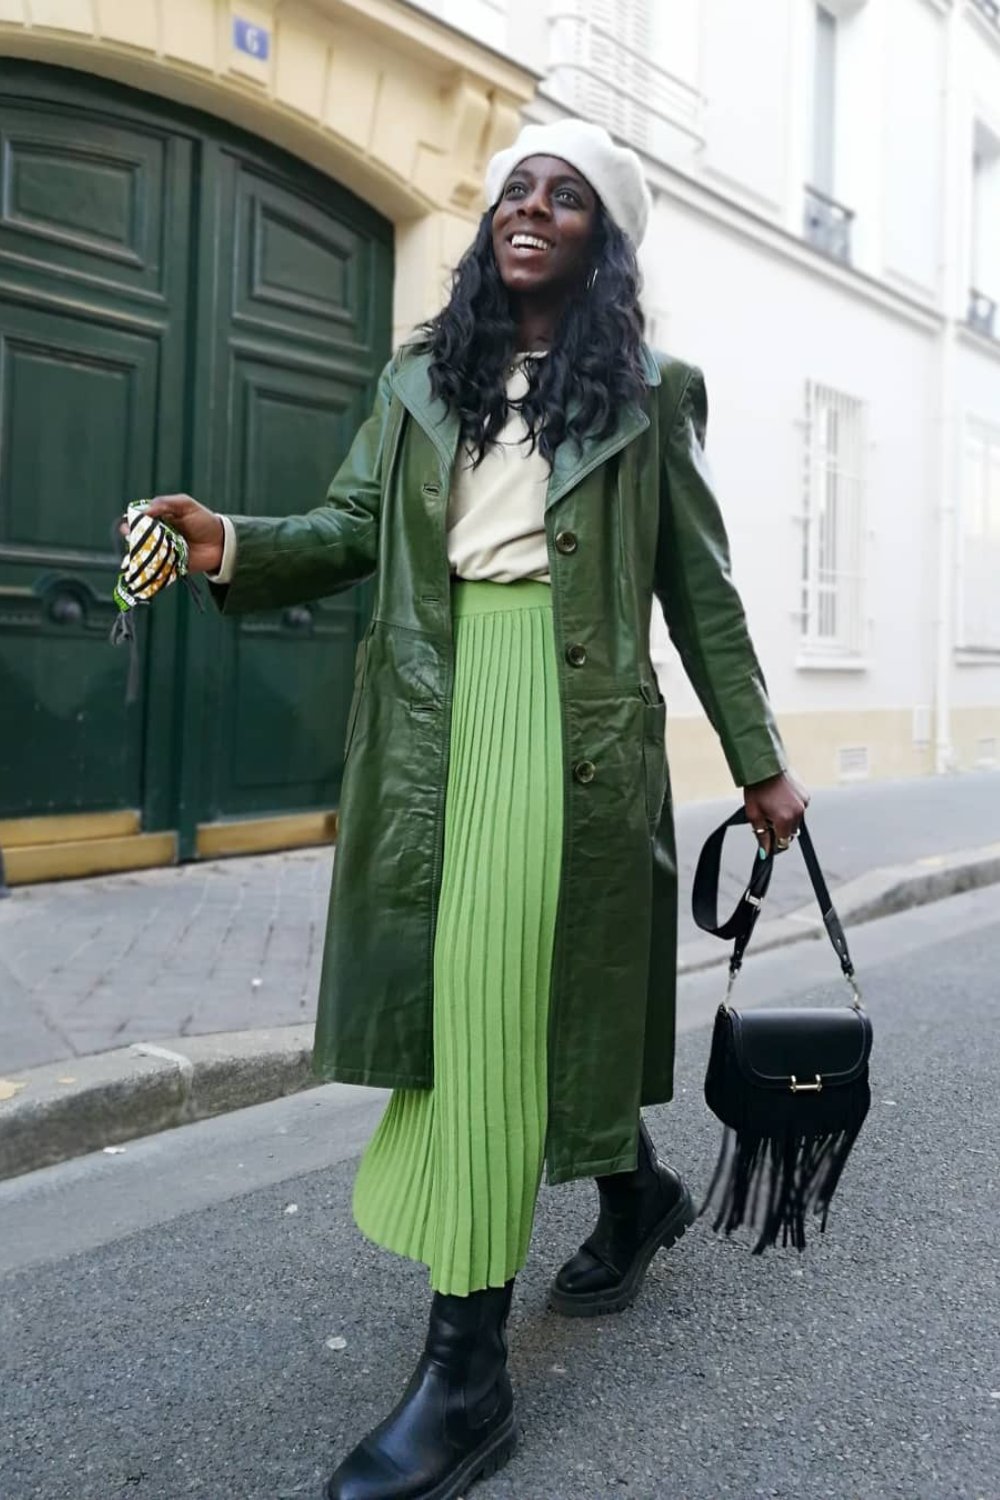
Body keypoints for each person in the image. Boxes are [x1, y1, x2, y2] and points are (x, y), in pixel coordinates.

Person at [141, 118, 808, 1500]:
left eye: (567, 199)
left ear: (598, 246)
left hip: (570, 735)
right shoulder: (415, 386)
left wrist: (760, 764)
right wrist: (233, 547)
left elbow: (703, 596)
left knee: (497, 1005)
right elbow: (342, 532)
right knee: (483, 1011)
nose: (532, 208)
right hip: (435, 732)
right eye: (518, 186)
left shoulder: (647, 393)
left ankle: (468, 1370)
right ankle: (635, 1192)